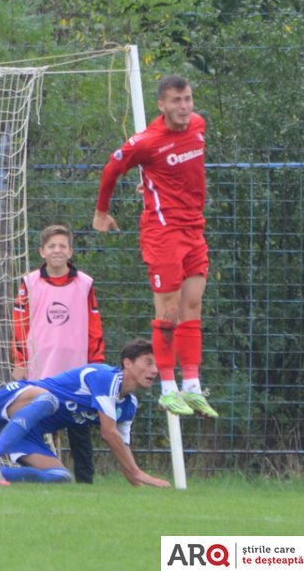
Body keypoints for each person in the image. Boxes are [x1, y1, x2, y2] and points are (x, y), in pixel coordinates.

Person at [93, 75, 217, 419]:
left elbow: (175, 169)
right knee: (169, 309)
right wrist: (101, 212)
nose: (184, 107)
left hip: (195, 229)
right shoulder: (146, 141)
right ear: (161, 104)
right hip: (163, 233)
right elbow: (111, 168)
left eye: (188, 99)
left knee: (193, 304)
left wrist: (152, 182)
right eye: (176, 101)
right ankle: (167, 389)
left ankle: (192, 387)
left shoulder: (198, 125)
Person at [0, 339, 170, 488]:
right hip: (14, 398)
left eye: (157, 365)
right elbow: (109, 433)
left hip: (26, 431)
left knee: (61, 477)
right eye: (148, 362)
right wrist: (139, 472)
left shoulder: (129, 406)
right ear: (127, 363)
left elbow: (123, 449)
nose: (154, 370)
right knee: (49, 400)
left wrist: (139, 484)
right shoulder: (106, 378)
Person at [11, 224, 104, 483]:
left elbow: (95, 328)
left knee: (79, 426)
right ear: (42, 251)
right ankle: (35, 472)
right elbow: (19, 323)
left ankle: (85, 481)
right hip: (40, 369)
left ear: (70, 251)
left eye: (62, 245)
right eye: (51, 246)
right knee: (32, 422)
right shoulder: (29, 282)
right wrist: (21, 360)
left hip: (76, 371)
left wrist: (96, 364)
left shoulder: (85, 284)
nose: (57, 250)